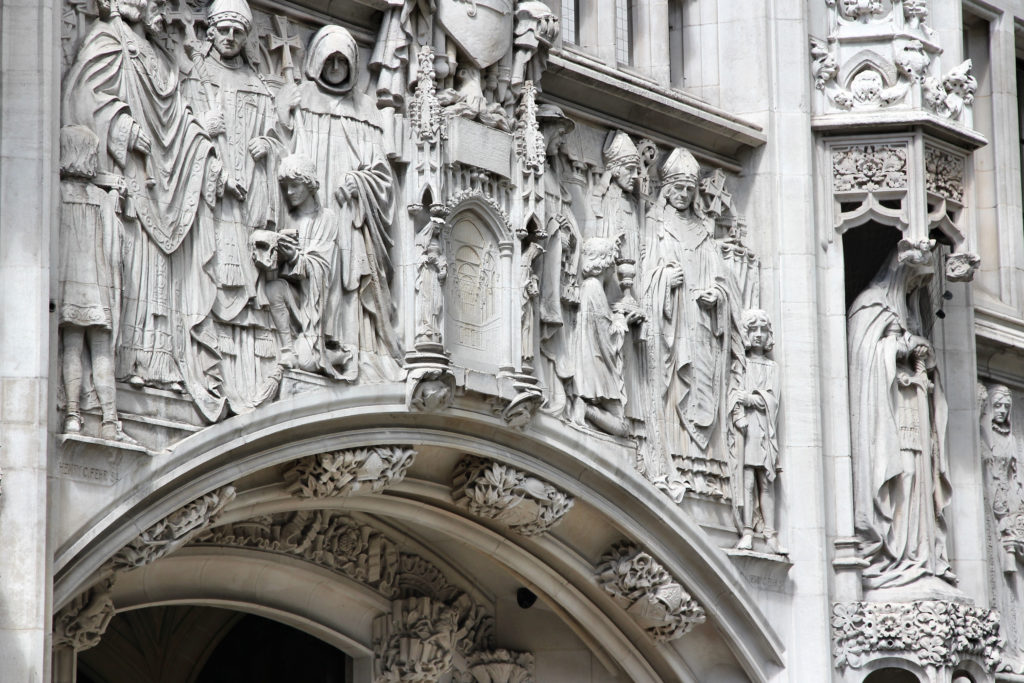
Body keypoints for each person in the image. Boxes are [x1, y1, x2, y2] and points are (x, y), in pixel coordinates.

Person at [62, 0, 223, 419]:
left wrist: (201, 140)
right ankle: (128, 368)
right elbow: (84, 100)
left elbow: (176, 119)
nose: (158, 8)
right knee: (131, 278)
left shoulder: (158, 57)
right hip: (129, 186)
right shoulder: (108, 40)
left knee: (162, 285)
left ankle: (162, 366)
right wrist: (122, 126)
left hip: (165, 187)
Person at [279, 25, 401, 382]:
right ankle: (314, 340)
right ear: (317, 61)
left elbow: (381, 174)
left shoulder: (366, 112)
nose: (335, 67)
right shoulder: (305, 103)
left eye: (341, 61)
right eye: (329, 60)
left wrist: (359, 181)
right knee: (317, 267)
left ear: (352, 64)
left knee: (351, 274)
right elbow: (289, 159)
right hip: (314, 213)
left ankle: (354, 347)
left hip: (351, 213)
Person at [182, 0, 283, 412]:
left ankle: (250, 353)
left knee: (249, 281)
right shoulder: (197, 78)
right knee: (215, 271)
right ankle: (212, 354)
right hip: (212, 201)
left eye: (238, 32)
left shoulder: (258, 86)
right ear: (211, 31)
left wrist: (268, 147)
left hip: (247, 204)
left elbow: (278, 141)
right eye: (223, 30)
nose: (229, 38)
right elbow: (177, 132)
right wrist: (203, 132)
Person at [847, 239, 955, 590]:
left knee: (918, 479)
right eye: (913, 281)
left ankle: (922, 554)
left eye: (922, 285)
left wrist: (925, 355)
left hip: (914, 409)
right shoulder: (870, 305)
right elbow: (862, 359)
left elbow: (928, 367)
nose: (915, 289)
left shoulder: (910, 312)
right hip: (888, 413)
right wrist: (899, 347)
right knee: (901, 474)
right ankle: (893, 550)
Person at [642, 147, 744, 499]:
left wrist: (718, 295)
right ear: (666, 189)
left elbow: (723, 278)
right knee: (675, 387)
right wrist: (662, 283)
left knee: (703, 386)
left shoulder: (704, 232)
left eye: (690, 189)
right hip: (673, 322)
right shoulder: (656, 226)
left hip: (701, 322)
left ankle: (707, 474)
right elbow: (645, 274)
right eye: (678, 188)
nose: (684, 195)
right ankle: (676, 462)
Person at [58, 125, 137, 444]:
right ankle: (108, 418)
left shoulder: (58, 193)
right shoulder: (100, 199)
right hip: (98, 286)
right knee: (102, 350)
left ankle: (73, 415)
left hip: (67, 288)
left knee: (72, 346)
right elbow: (113, 248)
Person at [261, 155, 339, 374]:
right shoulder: (288, 218)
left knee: (308, 363)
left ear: (309, 184)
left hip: (314, 304)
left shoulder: (326, 218)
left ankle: (338, 353)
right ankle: (287, 349)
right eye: (286, 187)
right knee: (273, 288)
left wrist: (295, 257)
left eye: (295, 186)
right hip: (295, 298)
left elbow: (323, 267)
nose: (289, 192)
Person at [730, 309, 784, 553]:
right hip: (747, 429)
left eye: (763, 330)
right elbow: (733, 393)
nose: (759, 335)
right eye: (754, 330)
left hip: (765, 428)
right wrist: (739, 411)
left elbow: (771, 400)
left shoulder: (772, 367)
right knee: (748, 479)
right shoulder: (741, 364)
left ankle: (770, 534)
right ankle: (748, 530)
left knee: (765, 480)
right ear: (746, 334)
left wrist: (750, 398)